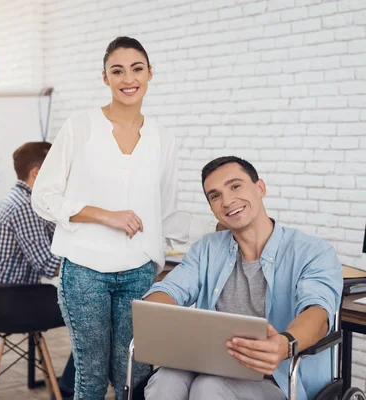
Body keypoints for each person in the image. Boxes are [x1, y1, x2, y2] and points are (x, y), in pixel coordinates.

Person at [31, 36, 216, 400]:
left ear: (150, 74)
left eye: (136, 69)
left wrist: (219, 228)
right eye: (117, 70)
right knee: (92, 378)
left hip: (140, 271)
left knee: (134, 377)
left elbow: (165, 215)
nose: (127, 78)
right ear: (105, 78)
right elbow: (44, 196)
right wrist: (104, 215)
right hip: (84, 270)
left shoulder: (163, 139)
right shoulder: (80, 126)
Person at [143, 156, 343, 400]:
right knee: (166, 379)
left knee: (209, 387)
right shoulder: (206, 248)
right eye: (215, 196)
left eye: (235, 186)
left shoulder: (313, 252)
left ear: (260, 188)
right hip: (210, 363)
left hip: (275, 377)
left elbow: (318, 314)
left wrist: (284, 344)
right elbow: (169, 290)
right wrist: (153, 316)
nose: (227, 201)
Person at [0, 141, 75, 399]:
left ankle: (70, 383)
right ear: (37, 173)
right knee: (95, 313)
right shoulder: (25, 205)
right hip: (11, 303)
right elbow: (48, 263)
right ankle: (69, 388)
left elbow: (56, 237)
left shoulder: (23, 199)